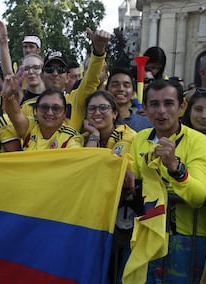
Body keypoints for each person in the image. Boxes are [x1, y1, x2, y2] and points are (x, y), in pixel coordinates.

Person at [127, 79, 206, 283]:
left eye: (168, 103)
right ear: (145, 109)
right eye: (154, 104)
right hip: (146, 236)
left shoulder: (199, 142)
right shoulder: (140, 139)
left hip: (185, 239)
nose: (161, 111)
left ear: (182, 107)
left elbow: (198, 197)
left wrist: (176, 168)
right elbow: (133, 180)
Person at [82, 90, 138, 282]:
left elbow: (112, 168)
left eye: (103, 107)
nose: (97, 112)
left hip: (119, 219)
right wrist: (95, 135)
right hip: (90, 217)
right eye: (92, 109)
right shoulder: (83, 137)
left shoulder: (128, 135)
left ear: (115, 113)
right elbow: (86, 166)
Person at [3, 75, 82, 150]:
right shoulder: (31, 126)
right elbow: (15, 114)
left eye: (56, 108)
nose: (50, 113)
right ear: (36, 110)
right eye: (44, 107)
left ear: (65, 113)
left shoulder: (70, 138)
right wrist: (9, 96)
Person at [106, 67, 152, 132]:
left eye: (126, 85)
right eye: (115, 85)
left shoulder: (147, 125)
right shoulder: (99, 122)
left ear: (133, 93)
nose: (121, 89)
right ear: (106, 91)